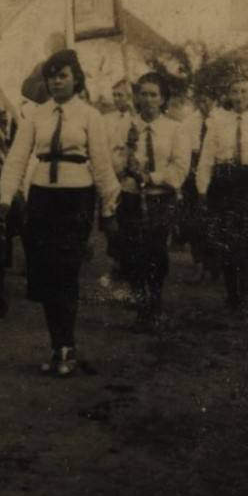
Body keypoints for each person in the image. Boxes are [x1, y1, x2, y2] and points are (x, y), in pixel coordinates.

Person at [0, 49, 119, 376]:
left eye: (62, 75)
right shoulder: (36, 116)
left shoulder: (89, 116)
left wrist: (109, 206)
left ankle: (67, 347)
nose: (56, 82)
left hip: (76, 199)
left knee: (66, 271)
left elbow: (102, 165)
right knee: (46, 274)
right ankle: (57, 347)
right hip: (42, 199)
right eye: (51, 76)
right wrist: (6, 196)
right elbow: (17, 159)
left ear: (76, 79)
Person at [115, 72, 190, 330]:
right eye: (143, 94)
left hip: (160, 199)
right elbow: (110, 162)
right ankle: (141, 305)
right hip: (131, 197)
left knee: (156, 252)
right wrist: (126, 158)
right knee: (131, 253)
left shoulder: (175, 129)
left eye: (153, 95)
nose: (148, 100)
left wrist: (151, 177)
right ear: (136, 97)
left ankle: (155, 304)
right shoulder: (125, 127)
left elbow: (180, 168)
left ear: (163, 99)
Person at [197, 73, 248, 311]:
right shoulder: (217, 121)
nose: (239, 96)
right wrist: (202, 188)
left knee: (246, 242)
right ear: (228, 95)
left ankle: (243, 294)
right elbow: (206, 157)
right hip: (223, 184)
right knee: (227, 242)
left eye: (244, 91)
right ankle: (232, 295)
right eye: (235, 91)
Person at [176, 93, 220, 284]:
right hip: (193, 174)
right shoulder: (188, 123)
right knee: (194, 222)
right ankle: (199, 264)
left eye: (209, 99)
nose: (205, 104)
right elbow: (183, 152)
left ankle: (214, 265)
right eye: (201, 100)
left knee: (215, 221)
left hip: (216, 175)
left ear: (215, 100)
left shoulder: (221, 119)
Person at [101, 78, 133, 282]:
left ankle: (126, 265)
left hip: (129, 177)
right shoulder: (106, 119)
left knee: (127, 222)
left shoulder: (136, 119)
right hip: (110, 175)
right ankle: (115, 263)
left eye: (120, 95)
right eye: (114, 95)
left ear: (130, 96)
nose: (117, 99)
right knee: (109, 221)